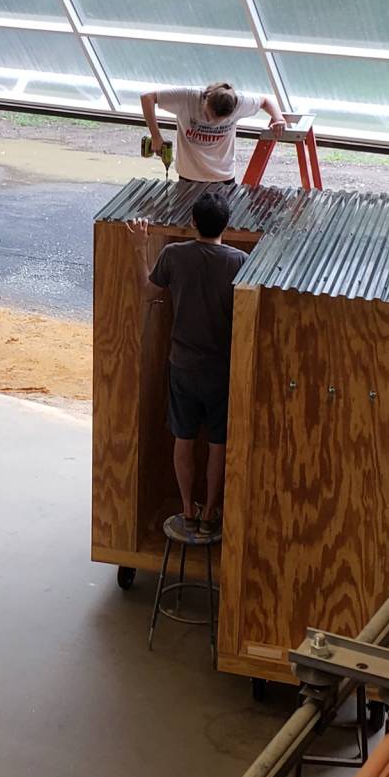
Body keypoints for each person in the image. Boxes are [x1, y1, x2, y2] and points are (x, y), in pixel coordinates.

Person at [129, 191, 248, 535]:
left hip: (182, 366)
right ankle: (210, 513)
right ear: (227, 223)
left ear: (192, 222)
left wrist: (139, 247)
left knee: (183, 440)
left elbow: (147, 293)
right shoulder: (239, 262)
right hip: (221, 370)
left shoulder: (173, 255)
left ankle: (187, 510)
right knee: (217, 445)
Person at [140, 82, 288, 184]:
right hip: (189, 175)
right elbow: (147, 97)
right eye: (208, 116)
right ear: (206, 100)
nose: (213, 122)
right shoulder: (187, 97)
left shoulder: (240, 102)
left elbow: (265, 101)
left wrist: (279, 118)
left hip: (223, 176)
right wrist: (156, 136)